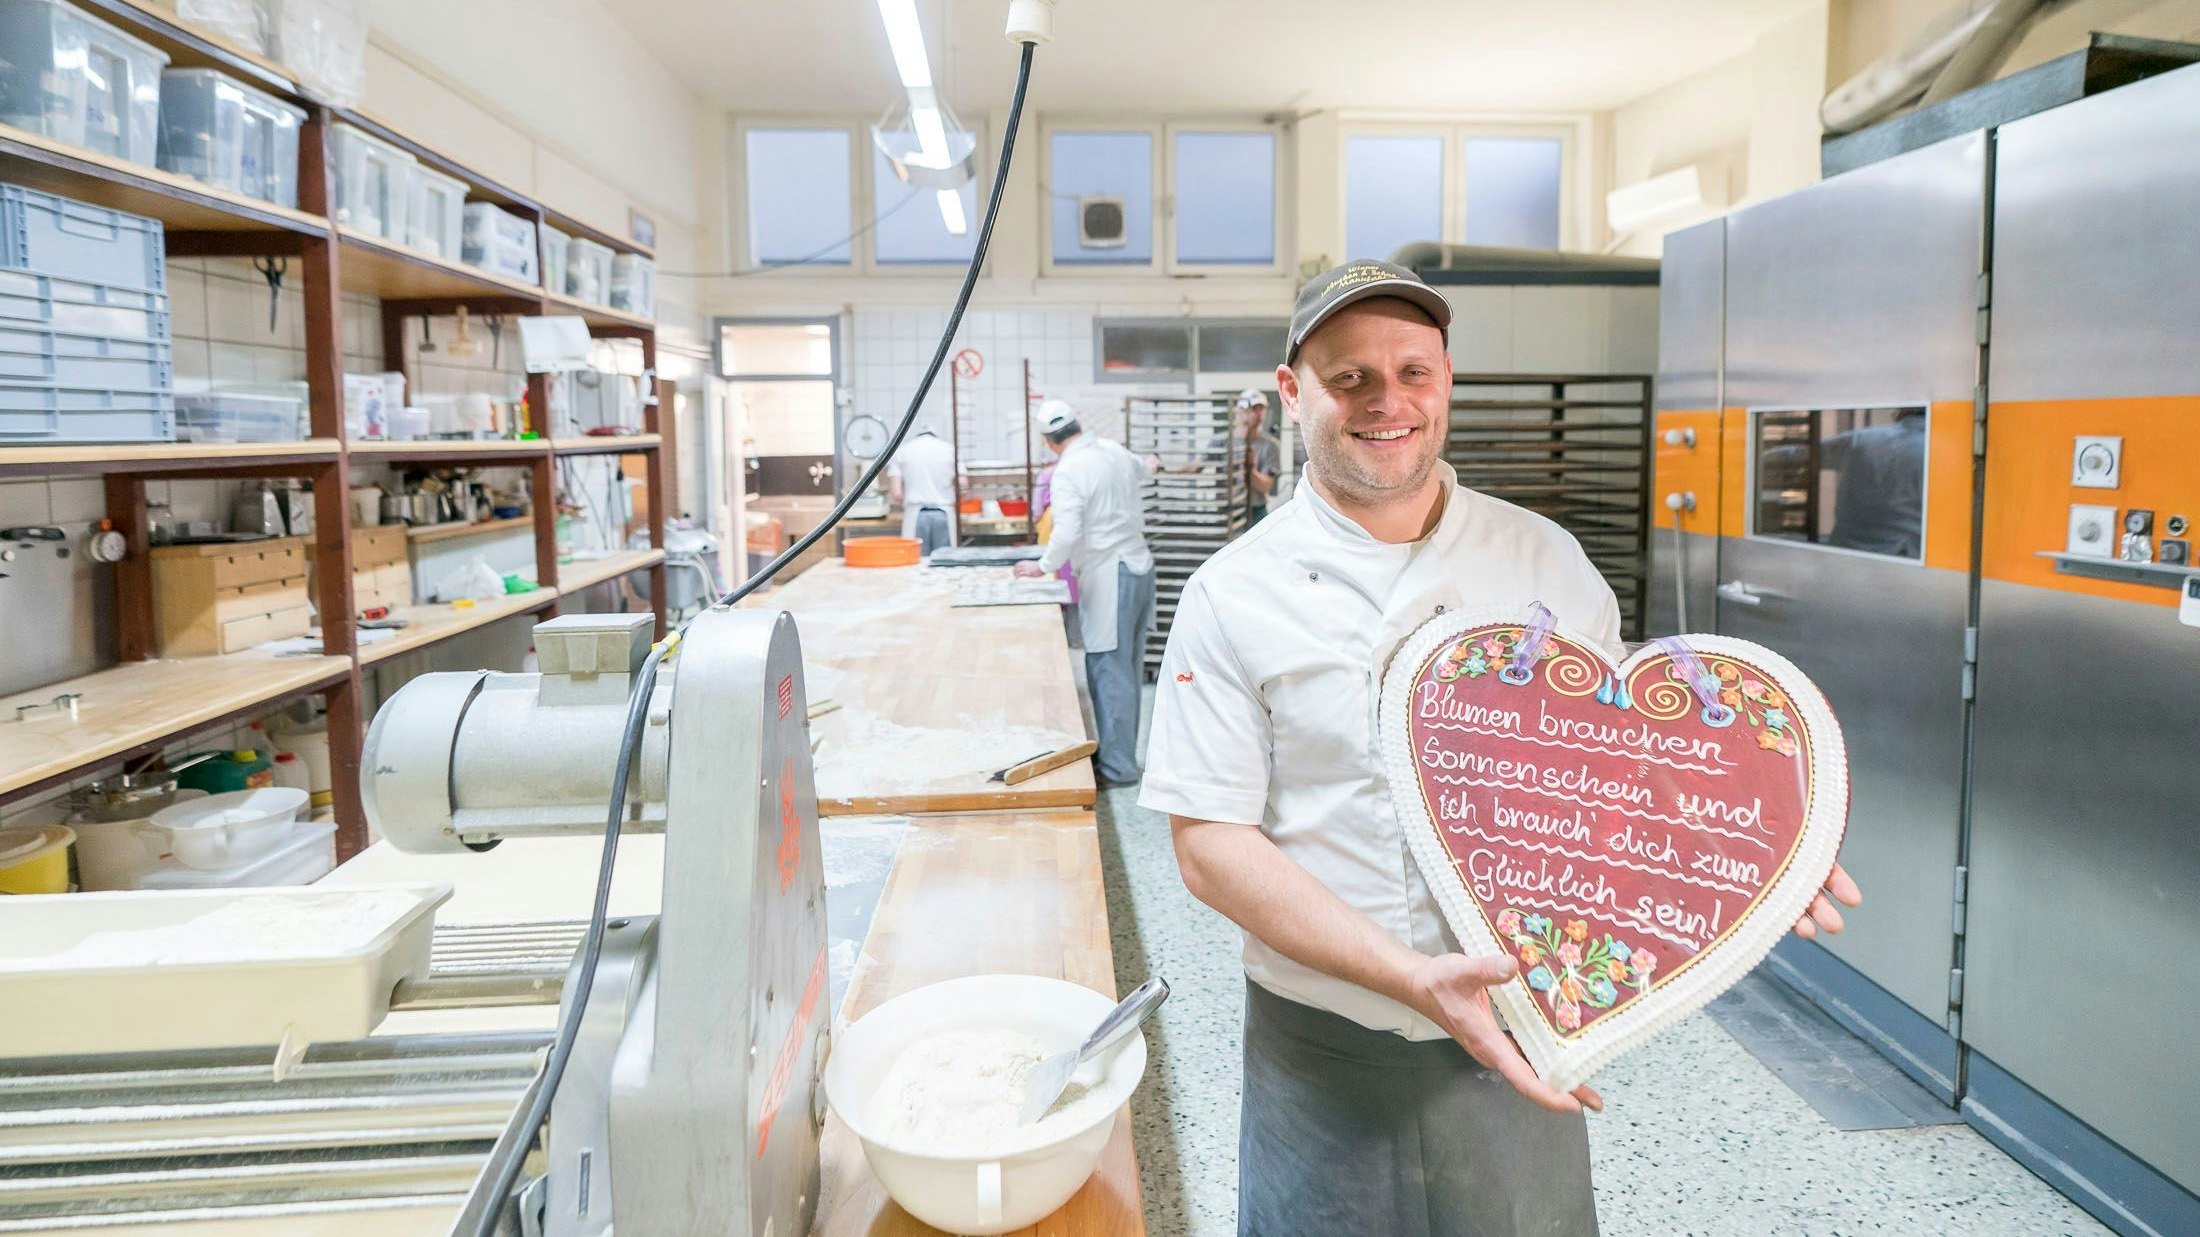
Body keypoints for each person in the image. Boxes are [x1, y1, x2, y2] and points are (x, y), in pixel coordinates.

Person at [1140, 260, 1863, 1237]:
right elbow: (1209, 845)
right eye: (1348, 376)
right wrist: (1409, 978)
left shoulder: (1540, 559)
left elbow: (1623, 771)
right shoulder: (1232, 594)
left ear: (1446, 382)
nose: (1384, 400)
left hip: (1524, 1026)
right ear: (1291, 392)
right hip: (1322, 1044)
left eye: (1413, 372)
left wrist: (1747, 855)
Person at [1014, 400, 1155, 786]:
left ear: (1048, 441)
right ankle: (1120, 756)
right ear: (1078, 425)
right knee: (1125, 670)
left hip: (1109, 574)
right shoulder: (1112, 450)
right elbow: (1147, 468)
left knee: (1109, 672)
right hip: (1140, 568)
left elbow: (1067, 531)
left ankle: (1117, 767)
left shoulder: (1068, 470)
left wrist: (1041, 566)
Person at [884, 424, 958, 556]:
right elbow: (962, 486)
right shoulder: (950, 449)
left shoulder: (903, 451)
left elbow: (897, 494)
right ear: (935, 435)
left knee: (915, 561)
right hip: (944, 513)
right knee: (946, 562)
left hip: (915, 514)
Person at [1235, 387, 1281, 522]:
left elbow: (1265, 486)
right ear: (1241, 411)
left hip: (1256, 512)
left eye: (1262, 408)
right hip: (1229, 510)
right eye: (1254, 408)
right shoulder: (1222, 442)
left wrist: (1251, 469)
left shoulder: (1271, 446)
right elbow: (1197, 467)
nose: (1259, 413)